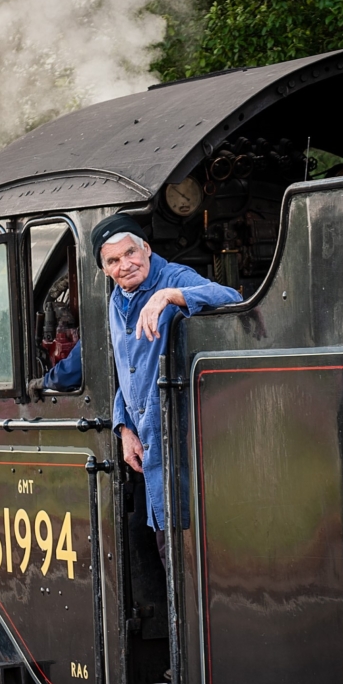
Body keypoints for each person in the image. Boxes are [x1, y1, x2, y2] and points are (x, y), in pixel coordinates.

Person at [91, 213, 242, 537]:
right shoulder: (117, 299)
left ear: (146, 248)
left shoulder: (174, 276)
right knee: (161, 539)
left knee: (184, 538)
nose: (125, 265)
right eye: (114, 260)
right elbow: (127, 370)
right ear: (105, 270)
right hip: (148, 443)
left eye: (130, 252)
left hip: (182, 437)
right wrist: (123, 428)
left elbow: (232, 298)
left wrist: (168, 295)